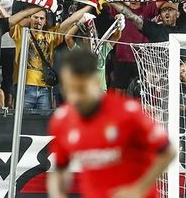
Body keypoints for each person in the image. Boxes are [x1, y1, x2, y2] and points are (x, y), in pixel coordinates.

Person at [46, 47, 175, 198]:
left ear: (95, 81)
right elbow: (59, 170)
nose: (75, 97)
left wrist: (139, 189)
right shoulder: (62, 120)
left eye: (81, 89)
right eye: (69, 90)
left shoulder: (128, 112)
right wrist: (57, 192)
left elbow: (168, 152)